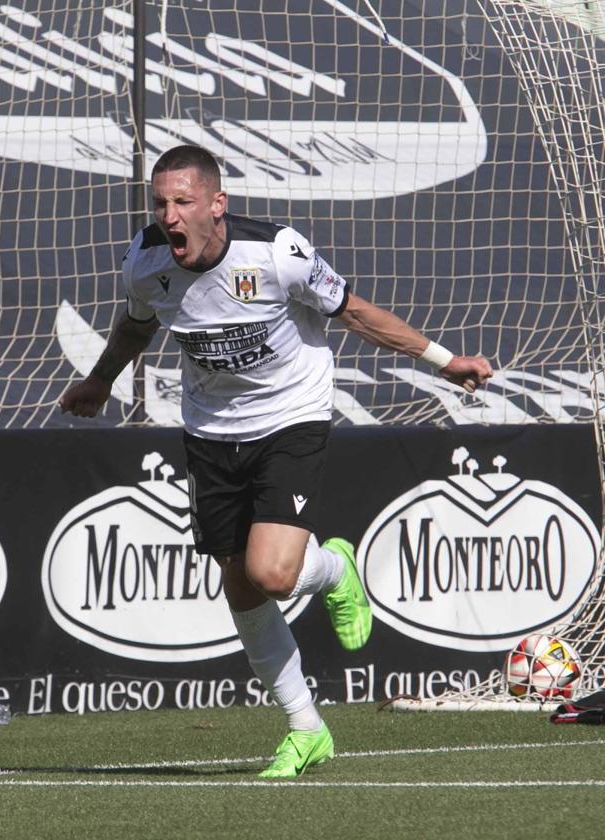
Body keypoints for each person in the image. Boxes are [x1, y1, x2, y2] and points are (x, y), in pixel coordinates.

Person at [59, 144, 492, 779]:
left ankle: (331, 569)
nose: (169, 216)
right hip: (210, 431)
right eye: (160, 203)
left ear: (217, 204)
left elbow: (356, 314)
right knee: (239, 584)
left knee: (274, 574)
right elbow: (135, 324)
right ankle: (305, 727)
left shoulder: (276, 253)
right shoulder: (145, 261)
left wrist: (446, 361)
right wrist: (99, 381)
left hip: (292, 416)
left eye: (182, 202)